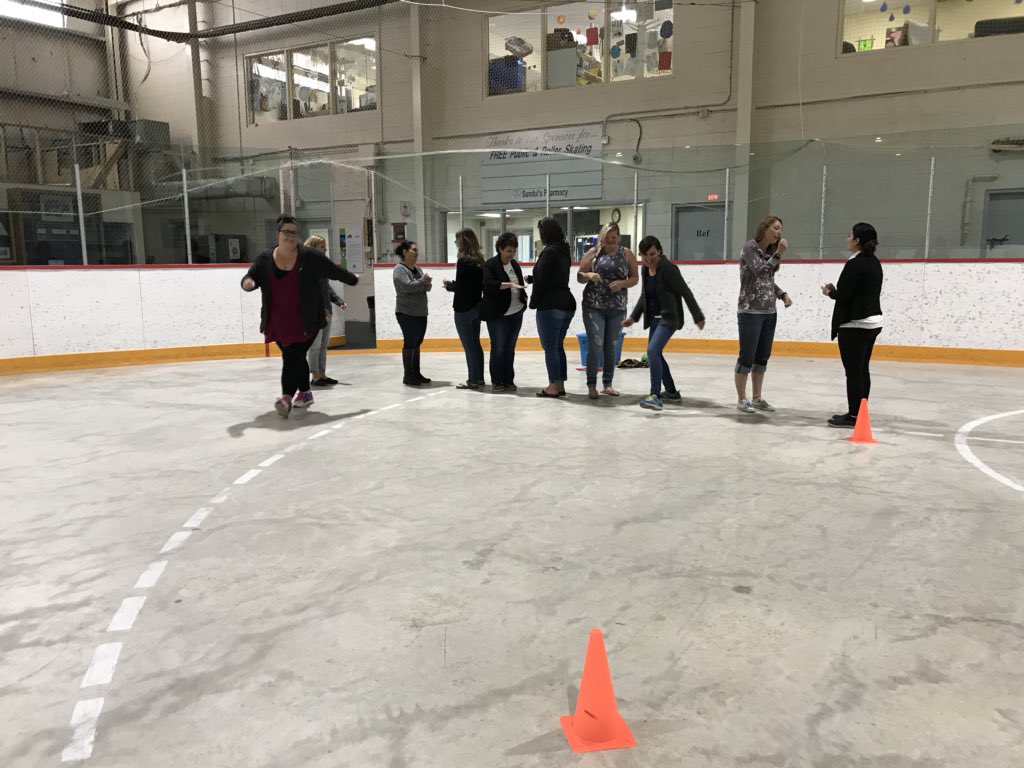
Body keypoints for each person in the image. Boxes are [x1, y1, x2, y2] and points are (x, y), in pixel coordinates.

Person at [241, 215, 358, 417]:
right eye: (286, 232)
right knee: (295, 357)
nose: (290, 236)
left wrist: (352, 279)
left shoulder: (310, 256)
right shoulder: (265, 259)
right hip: (277, 323)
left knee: (291, 356)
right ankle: (305, 392)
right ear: (278, 234)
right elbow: (251, 276)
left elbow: (331, 269)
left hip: (307, 321)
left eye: (294, 232)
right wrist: (248, 283)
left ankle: (286, 397)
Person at [623, 236, 705, 411]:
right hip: (654, 319)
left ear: (659, 251)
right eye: (644, 256)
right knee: (656, 354)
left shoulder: (668, 269)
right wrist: (634, 317)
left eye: (652, 254)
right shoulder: (645, 270)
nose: (649, 259)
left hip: (670, 318)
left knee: (652, 351)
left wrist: (698, 316)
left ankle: (655, 395)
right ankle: (672, 392)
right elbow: (644, 297)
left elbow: (686, 292)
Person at [822, 222, 884, 428]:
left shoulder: (855, 263)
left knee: (853, 372)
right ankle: (860, 412)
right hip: (873, 322)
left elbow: (845, 295)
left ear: (857, 240)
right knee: (862, 370)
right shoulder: (874, 262)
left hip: (855, 325)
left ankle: (854, 415)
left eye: (849, 235)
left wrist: (831, 291)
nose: (847, 238)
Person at [734, 215, 793, 414]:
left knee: (762, 357)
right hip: (750, 311)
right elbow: (760, 271)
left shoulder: (769, 251)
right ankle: (742, 399)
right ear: (764, 228)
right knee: (747, 357)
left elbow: (767, 280)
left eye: (780, 229)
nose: (779, 232)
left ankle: (757, 398)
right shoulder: (750, 247)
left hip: (769, 312)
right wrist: (778, 253)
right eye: (776, 228)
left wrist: (781, 293)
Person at [577, 222, 638, 399]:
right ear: (602, 238)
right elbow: (580, 276)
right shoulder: (593, 253)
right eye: (608, 238)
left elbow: (635, 278)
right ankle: (591, 385)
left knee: (611, 346)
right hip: (593, 306)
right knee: (595, 345)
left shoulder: (626, 253)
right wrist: (589, 275)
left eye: (614, 237)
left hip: (617, 307)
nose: (611, 241)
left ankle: (608, 384)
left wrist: (622, 284)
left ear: (618, 237)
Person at [529, 217, 576, 398]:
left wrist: (533, 302)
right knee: (557, 346)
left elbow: (542, 280)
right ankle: (560, 384)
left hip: (551, 306)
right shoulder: (564, 251)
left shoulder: (548, 252)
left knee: (550, 347)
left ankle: (552, 386)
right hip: (566, 303)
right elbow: (555, 276)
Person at [479, 232, 528, 392]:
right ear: (500, 249)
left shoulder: (515, 265)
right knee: (499, 347)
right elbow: (488, 285)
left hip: (516, 312)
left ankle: (509, 379)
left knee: (510, 348)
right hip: (498, 314)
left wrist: (523, 298)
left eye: (514, 250)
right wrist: (509, 285)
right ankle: (497, 380)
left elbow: (519, 283)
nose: (511, 254)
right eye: (508, 251)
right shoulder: (491, 264)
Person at [443, 229, 485, 390]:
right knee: (475, 343)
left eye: (457, 241)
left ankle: (472, 379)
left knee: (469, 346)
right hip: (476, 306)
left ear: (462, 243)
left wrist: (450, 286)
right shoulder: (480, 261)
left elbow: (462, 287)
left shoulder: (463, 261)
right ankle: (479, 378)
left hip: (463, 308)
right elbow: (474, 285)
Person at [303, 235, 348, 387]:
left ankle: (321, 373)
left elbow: (326, 288)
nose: (326, 249)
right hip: (315, 313)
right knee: (314, 346)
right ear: (313, 248)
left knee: (323, 345)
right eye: (322, 246)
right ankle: (315, 375)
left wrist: (338, 301)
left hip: (326, 310)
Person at [393, 240, 432, 386]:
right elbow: (408, 287)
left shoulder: (418, 269)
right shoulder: (399, 269)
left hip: (421, 312)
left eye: (417, 250)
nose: (417, 253)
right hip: (406, 313)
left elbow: (426, 288)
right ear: (405, 252)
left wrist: (425, 283)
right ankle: (408, 375)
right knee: (410, 343)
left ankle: (416, 373)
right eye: (414, 250)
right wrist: (423, 282)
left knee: (417, 343)